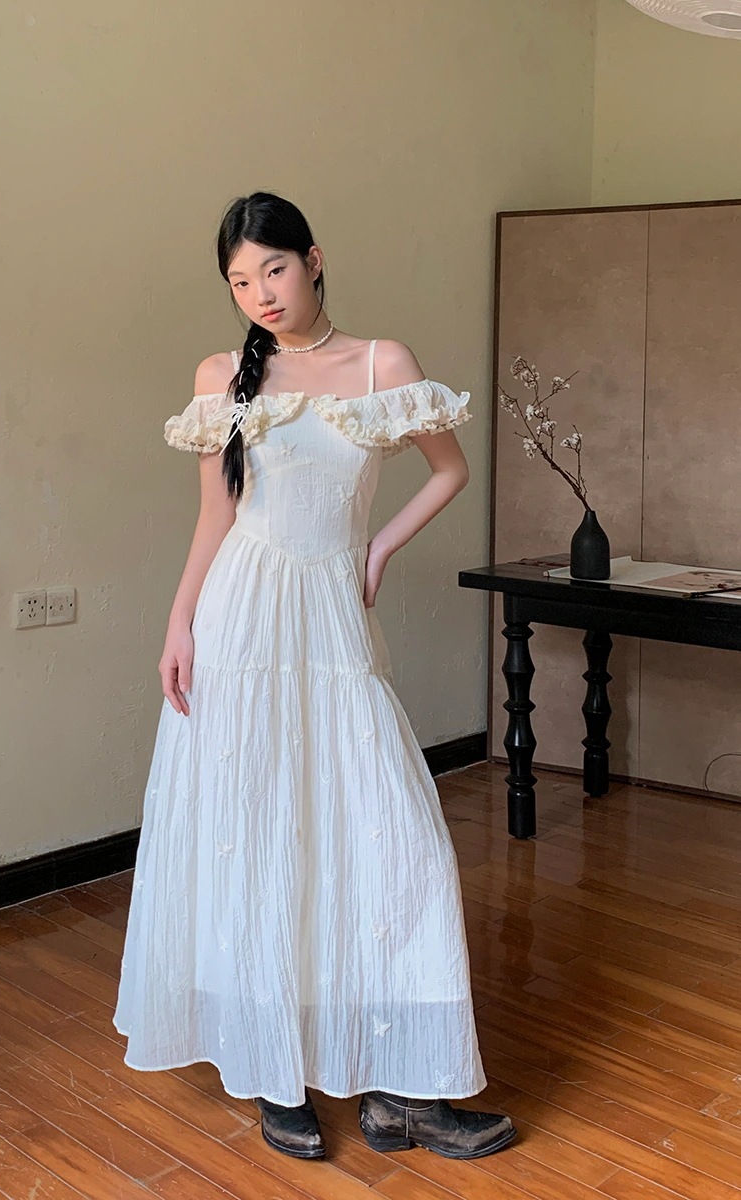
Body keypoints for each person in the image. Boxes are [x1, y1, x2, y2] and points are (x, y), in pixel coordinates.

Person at [113, 191, 515, 1162]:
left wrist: (377, 548)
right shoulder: (221, 375)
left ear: (315, 260)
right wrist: (178, 622)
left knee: (396, 843)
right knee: (256, 836)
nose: (261, 293)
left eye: (275, 269)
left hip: (331, 619)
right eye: (240, 281)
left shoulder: (383, 364)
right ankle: (272, 1071)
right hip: (239, 622)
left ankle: (401, 1089)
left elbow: (450, 471)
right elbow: (216, 516)